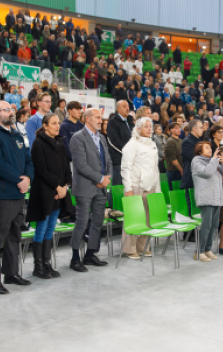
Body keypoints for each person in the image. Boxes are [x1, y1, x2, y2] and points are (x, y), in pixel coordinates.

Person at [0, 101, 34, 294]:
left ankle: (11, 274)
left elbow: (28, 159)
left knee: (14, 235)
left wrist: (27, 177)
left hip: (18, 193)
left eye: (11, 109)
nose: (10, 112)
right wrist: (18, 179)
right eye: (5, 109)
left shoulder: (17, 135)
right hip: (1, 194)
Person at [27, 113, 72, 277]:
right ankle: (38, 266)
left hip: (59, 193)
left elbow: (66, 167)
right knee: (41, 229)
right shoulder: (38, 144)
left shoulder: (60, 144)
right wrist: (58, 187)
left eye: (58, 123)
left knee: (50, 229)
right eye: (53, 123)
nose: (57, 126)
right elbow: (42, 170)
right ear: (45, 125)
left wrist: (65, 186)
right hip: (44, 192)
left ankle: (46, 263)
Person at [69, 108, 112, 270]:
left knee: (97, 223)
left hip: (100, 188)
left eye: (101, 118)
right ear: (87, 119)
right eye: (97, 117)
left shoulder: (101, 138)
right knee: (81, 223)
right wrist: (100, 179)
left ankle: (90, 254)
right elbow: (81, 165)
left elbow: (107, 161)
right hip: (85, 188)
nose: (101, 120)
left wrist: (107, 177)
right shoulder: (78, 138)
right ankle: (74, 258)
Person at [119, 117, 161, 260]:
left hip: (150, 185)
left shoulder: (152, 144)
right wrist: (128, 188)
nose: (150, 129)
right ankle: (129, 249)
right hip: (136, 185)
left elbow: (155, 168)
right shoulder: (132, 145)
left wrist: (158, 187)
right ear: (138, 129)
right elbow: (125, 168)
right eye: (146, 126)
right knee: (132, 218)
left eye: (151, 126)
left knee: (148, 218)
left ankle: (143, 247)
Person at [191, 141, 223, 262]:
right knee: (206, 225)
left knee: (214, 226)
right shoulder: (196, 161)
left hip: (216, 197)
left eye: (210, 147)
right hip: (206, 197)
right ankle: (199, 251)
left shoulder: (213, 162)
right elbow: (207, 172)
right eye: (206, 148)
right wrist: (214, 159)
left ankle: (208, 249)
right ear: (199, 151)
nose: (210, 149)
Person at [106, 100, 134, 186]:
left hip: (130, 160)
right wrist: (127, 152)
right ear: (118, 109)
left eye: (128, 106)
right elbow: (115, 142)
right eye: (125, 106)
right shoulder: (113, 122)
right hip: (118, 160)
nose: (128, 108)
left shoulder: (130, 121)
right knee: (117, 186)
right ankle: (113, 200)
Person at [164, 122, 183, 189]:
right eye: (176, 128)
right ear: (171, 130)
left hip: (180, 171)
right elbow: (172, 159)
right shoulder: (170, 141)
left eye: (179, 128)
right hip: (174, 172)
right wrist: (181, 170)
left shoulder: (181, 141)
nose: (179, 129)